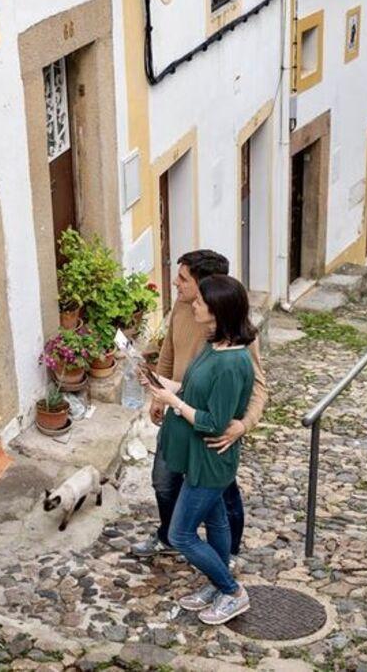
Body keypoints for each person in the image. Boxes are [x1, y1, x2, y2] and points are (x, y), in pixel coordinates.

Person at [130, 250, 268, 562]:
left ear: (207, 288)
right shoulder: (180, 309)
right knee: (163, 482)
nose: (175, 283)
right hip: (179, 417)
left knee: (222, 497)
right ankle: (169, 537)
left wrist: (243, 426)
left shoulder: (236, 331)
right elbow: (168, 353)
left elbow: (259, 385)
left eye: (183, 279)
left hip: (212, 429)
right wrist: (157, 396)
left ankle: (226, 555)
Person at [142, 274, 256, 624]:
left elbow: (214, 422)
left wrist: (172, 400)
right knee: (216, 520)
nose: (193, 304)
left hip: (211, 459)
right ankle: (217, 585)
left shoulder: (232, 363)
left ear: (218, 310)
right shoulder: (213, 344)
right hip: (198, 456)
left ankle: (232, 590)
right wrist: (161, 384)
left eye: (200, 303)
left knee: (181, 534)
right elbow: (192, 387)